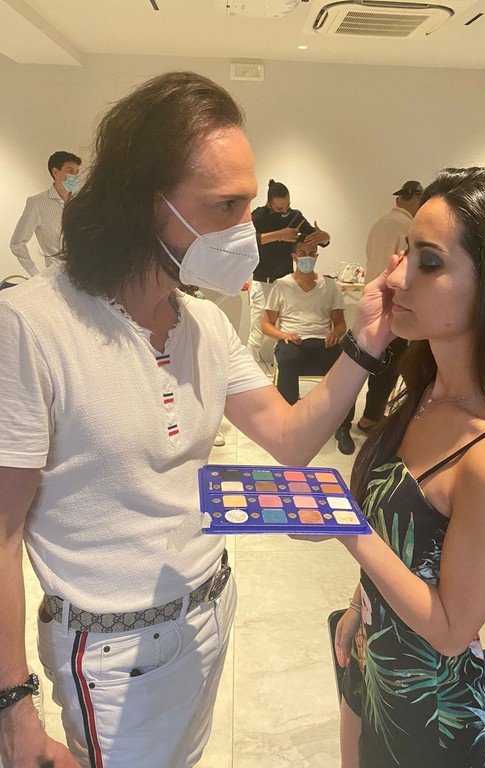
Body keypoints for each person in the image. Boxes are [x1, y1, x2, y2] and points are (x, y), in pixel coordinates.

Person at [0, 71, 394, 768]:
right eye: (226, 206)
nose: (247, 231)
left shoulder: (204, 324)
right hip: (113, 652)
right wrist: (12, 708)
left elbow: (291, 439)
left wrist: (365, 343)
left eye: (249, 206)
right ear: (145, 203)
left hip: (210, 609)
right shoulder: (32, 326)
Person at [301, 167, 485, 767]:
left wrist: (343, 524)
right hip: (373, 662)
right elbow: (405, 541)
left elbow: (450, 630)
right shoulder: (425, 390)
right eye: (405, 253)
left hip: (428, 719)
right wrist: (359, 604)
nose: (395, 277)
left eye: (429, 262)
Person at [263, 234, 356, 454]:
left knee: (348, 368)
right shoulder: (282, 285)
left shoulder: (330, 286)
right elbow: (266, 325)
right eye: (302, 253)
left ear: (317, 256)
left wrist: (335, 333)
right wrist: (283, 334)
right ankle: (287, 422)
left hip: (322, 341)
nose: (307, 258)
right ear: (294, 256)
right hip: (292, 340)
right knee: (288, 359)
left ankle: (343, 427)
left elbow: (340, 324)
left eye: (311, 254)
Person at [357, 179, 423, 435]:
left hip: (372, 299)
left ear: (398, 199)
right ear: (415, 199)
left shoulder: (379, 224)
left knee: (374, 362)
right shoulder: (408, 227)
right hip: (393, 302)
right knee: (390, 366)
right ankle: (370, 418)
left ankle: (370, 415)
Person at [248, 179, 330, 362]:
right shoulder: (259, 216)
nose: (284, 211)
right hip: (263, 281)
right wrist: (279, 235)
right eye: (279, 208)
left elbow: (316, 238)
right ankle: (249, 373)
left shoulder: (295, 217)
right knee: (256, 333)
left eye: (287, 206)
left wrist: (324, 237)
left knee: (283, 332)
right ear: (269, 203)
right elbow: (249, 240)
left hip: (285, 284)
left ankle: (280, 372)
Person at [10, 151, 82, 276]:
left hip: (84, 273)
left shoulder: (81, 202)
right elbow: (17, 243)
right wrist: (35, 275)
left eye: (76, 172)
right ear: (56, 172)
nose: (75, 176)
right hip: (57, 276)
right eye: (70, 171)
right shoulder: (37, 203)